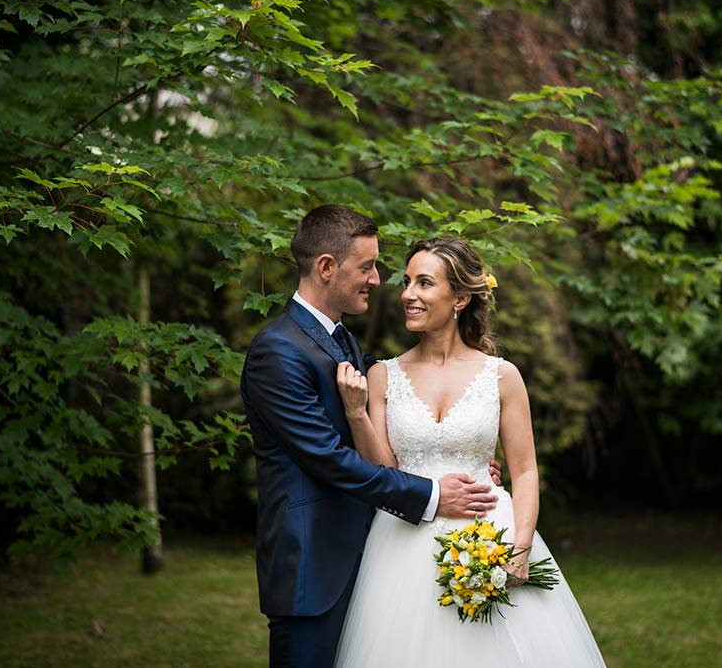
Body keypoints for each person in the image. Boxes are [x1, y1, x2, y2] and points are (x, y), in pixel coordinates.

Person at [240, 206, 503, 668]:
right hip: (313, 571)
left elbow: (394, 417)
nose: (378, 280)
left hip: (373, 564)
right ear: (326, 267)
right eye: (367, 267)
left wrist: (455, 457)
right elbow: (330, 460)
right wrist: (434, 493)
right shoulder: (277, 352)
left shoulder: (339, 341)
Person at [333, 237, 608, 667]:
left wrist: (518, 549)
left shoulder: (502, 376)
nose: (408, 294)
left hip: (488, 532)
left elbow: (525, 471)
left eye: (424, 283)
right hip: (401, 542)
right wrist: (355, 414)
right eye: (407, 282)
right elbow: (383, 468)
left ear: (460, 297)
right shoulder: (383, 374)